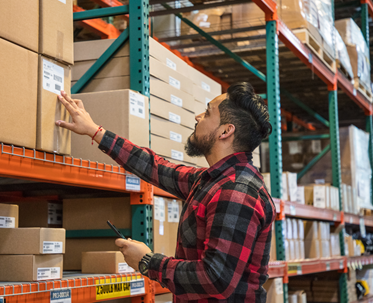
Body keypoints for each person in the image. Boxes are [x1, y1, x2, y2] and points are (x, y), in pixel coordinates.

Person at [55, 82, 276, 303]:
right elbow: (156, 167)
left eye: (208, 113)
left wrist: (148, 261)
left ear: (226, 131)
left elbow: (215, 279)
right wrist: (95, 131)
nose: (198, 117)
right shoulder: (212, 181)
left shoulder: (236, 191)